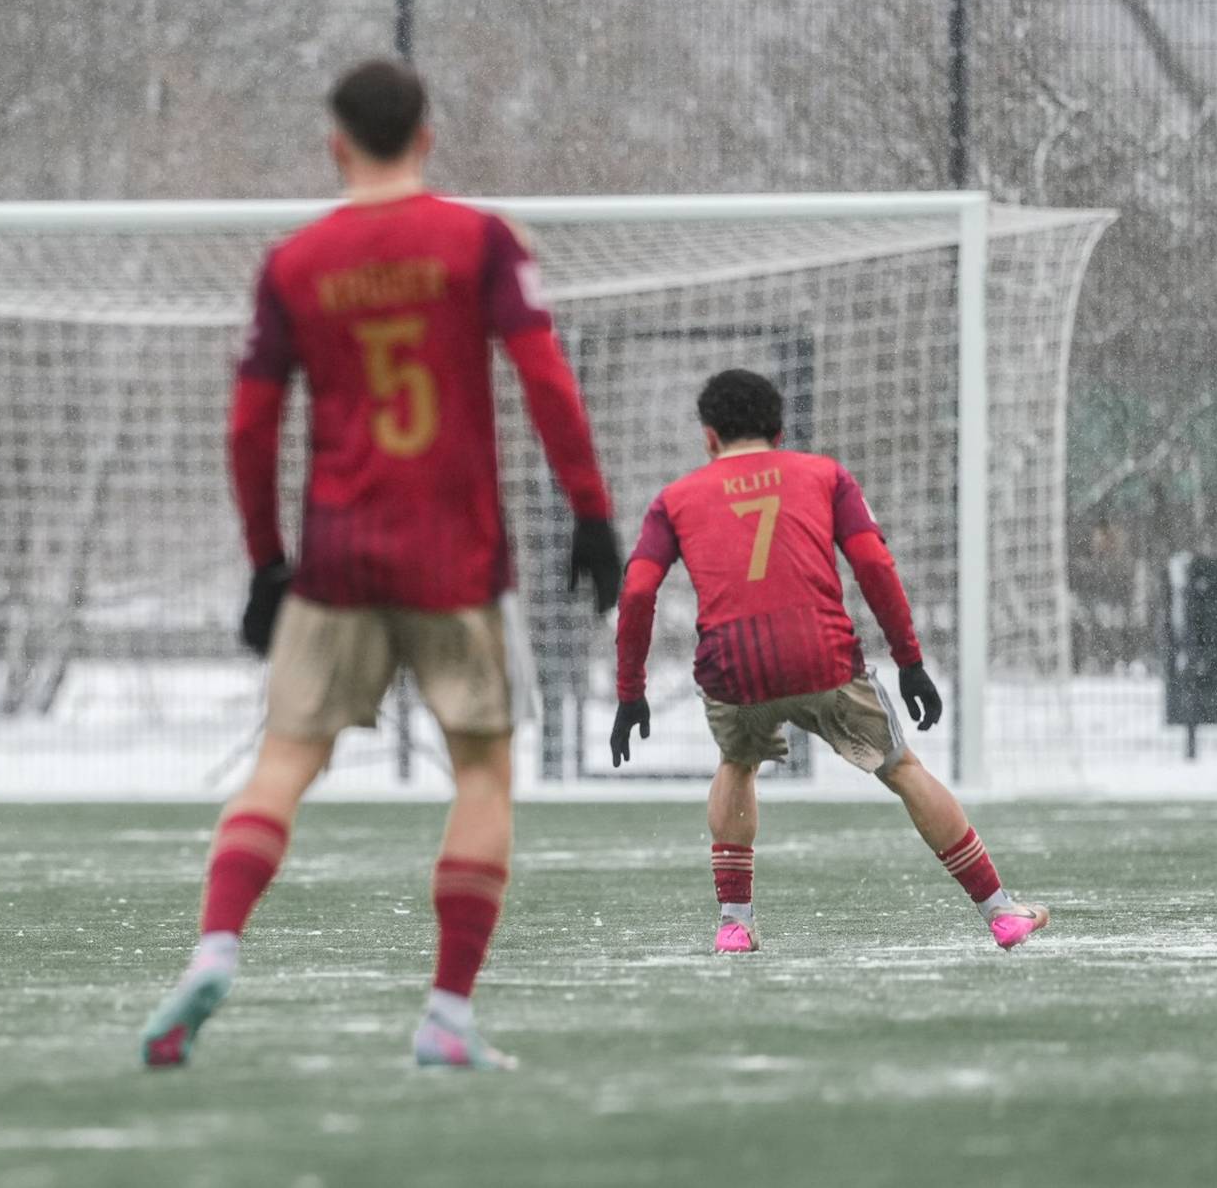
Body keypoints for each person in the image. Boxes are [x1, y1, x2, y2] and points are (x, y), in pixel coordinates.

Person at [139, 58, 623, 1071]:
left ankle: (217, 943)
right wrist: (588, 509)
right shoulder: (479, 240)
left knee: (285, 762)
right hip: (456, 558)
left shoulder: (294, 262)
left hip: (338, 558)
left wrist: (268, 559)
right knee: (484, 771)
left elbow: (249, 426)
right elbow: (546, 378)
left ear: (336, 144)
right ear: (428, 136)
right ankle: (447, 1012)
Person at [609, 368, 1048, 954]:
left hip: (734, 667)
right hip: (824, 657)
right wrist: (910, 660)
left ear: (709, 437)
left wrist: (630, 690)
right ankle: (1000, 912)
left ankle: (736, 925)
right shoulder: (825, 475)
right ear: (780, 430)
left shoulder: (675, 499)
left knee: (737, 763)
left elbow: (637, 591)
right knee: (902, 768)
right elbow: (874, 565)